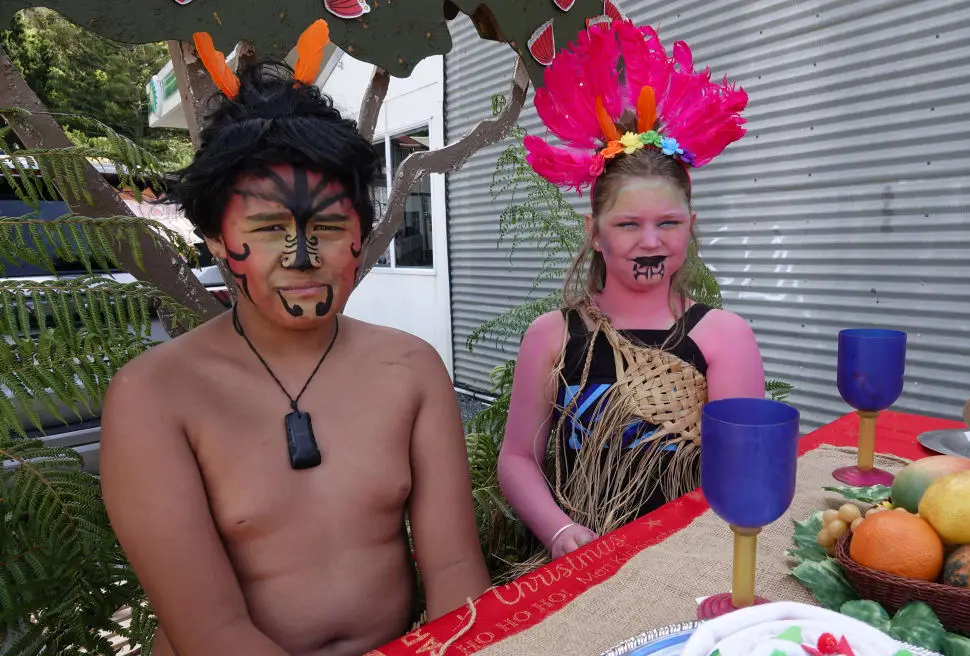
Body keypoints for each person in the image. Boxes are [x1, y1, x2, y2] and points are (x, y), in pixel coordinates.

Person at [100, 22, 489, 656]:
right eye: (269, 225)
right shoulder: (154, 398)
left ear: (362, 230)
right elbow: (211, 631)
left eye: (331, 227)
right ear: (214, 238)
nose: (302, 256)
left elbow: (453, 573)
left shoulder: (410, 369)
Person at [497, 20, 767, 561]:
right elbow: (517, 460)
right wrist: (558, 533)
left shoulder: (722, 338)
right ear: (595, 234)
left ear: (691, 226)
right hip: (581, 562)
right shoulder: (552, 337)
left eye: (668, 223)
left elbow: (741, 472)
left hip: (691, 559)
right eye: (627, 225)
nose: (650, 242)